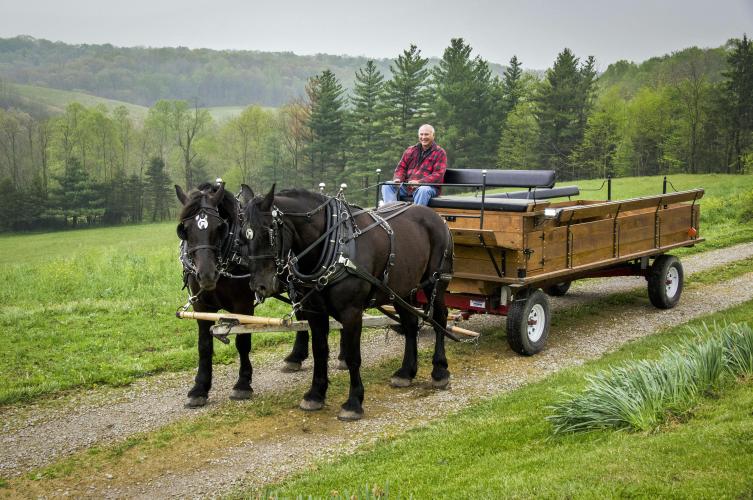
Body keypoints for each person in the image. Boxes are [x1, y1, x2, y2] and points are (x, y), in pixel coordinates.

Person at [381, 124, 446, 206]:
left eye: (426, 134)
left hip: (428, 187)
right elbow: (401, 167)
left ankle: (415, 217)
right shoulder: (411, 150)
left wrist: (419, 182)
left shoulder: (439, 152)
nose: (423, 137)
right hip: (407, 186)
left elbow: (438, 174)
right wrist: (398, 179)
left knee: (423, 190)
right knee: (387, 185)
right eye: (421, 134)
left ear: (433, 136)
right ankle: (392, 212)